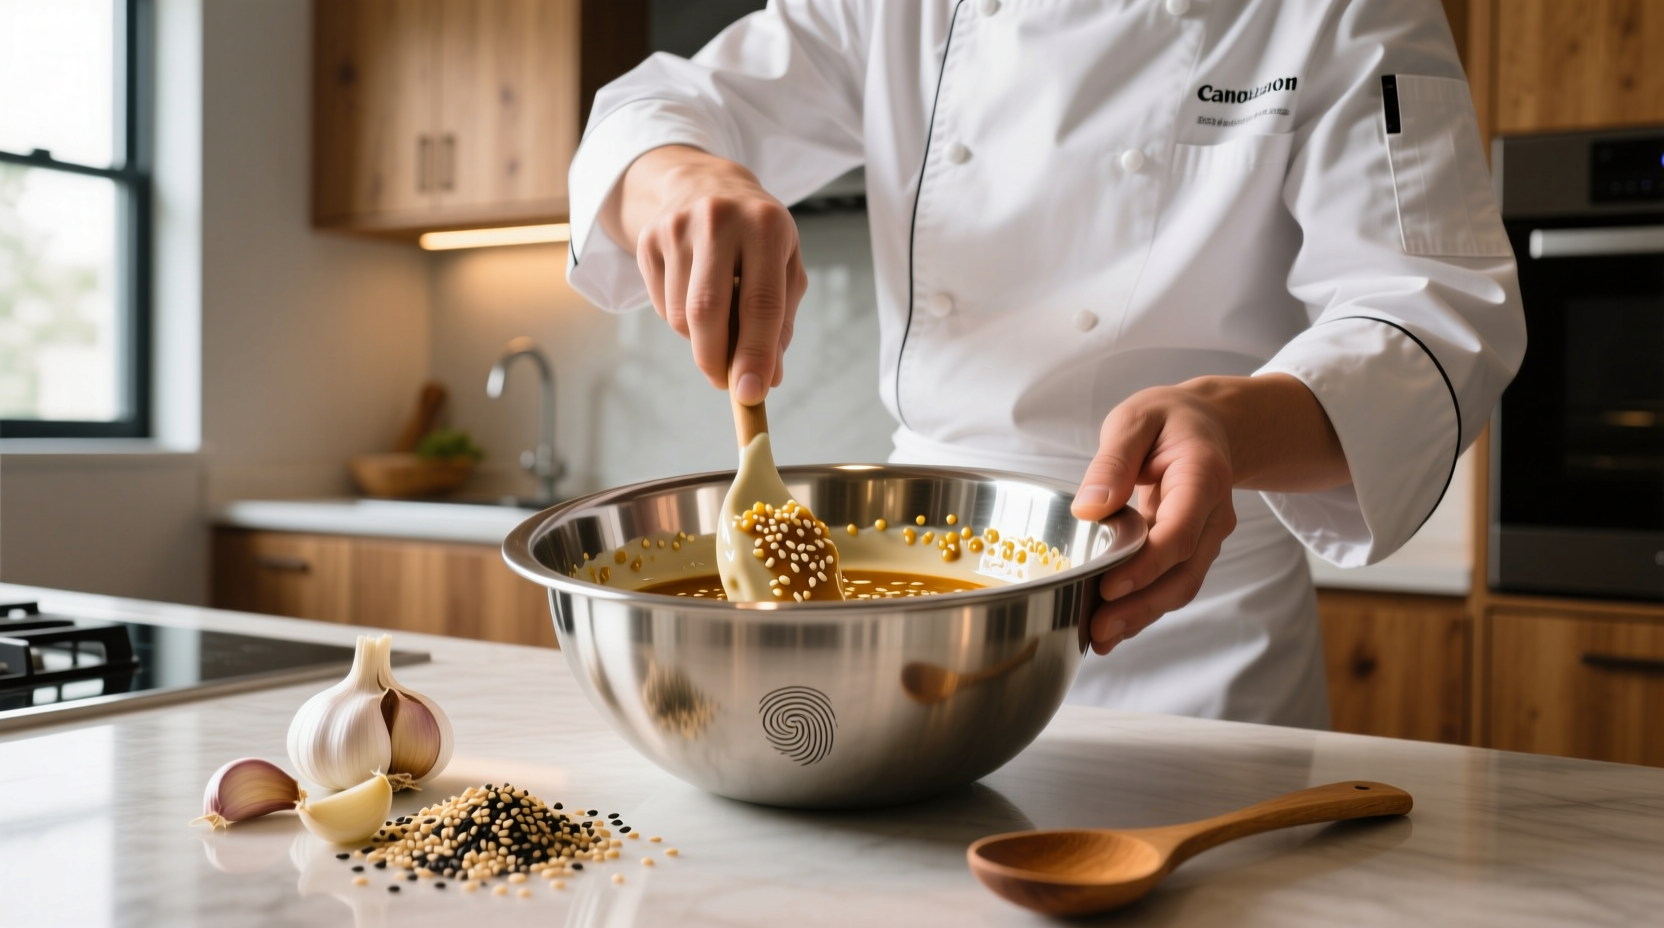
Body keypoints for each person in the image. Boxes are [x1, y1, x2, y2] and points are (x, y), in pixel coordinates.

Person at [563, 0, 1526, 728]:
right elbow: (657, 108)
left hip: (1180, 624)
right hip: (911, 634)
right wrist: (680, 176)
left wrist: (1231, 424)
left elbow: (1433, 308)